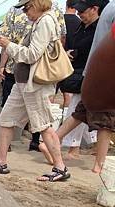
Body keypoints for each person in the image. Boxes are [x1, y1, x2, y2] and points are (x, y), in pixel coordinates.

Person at [0, 0, 68, 181]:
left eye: (27, 8)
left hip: (35, 84)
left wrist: (9, 45)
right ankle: (0, 161)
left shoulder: (45, 21)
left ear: (36, 4)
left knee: (42, 125)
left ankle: (60, 167)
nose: (25, 12)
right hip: (24, 82)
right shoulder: (40, 21)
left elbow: (33, 54)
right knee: (7, 119)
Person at [40, 0, 113, 174]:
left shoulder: (108, 11)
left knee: (81, 112)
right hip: (106, 72)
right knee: (107, 121)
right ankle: (99, 165)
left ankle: (52, 140)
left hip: (91, 71)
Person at [54, 0, 100, 160]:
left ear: (95, 9)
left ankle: (68, 145)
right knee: (82, 110)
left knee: (78, 110)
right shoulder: (82, 26)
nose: (80, 14)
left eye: (83, 11)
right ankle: (82, 145)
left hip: (91, 74)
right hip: (79, 72)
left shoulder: (100, 29)